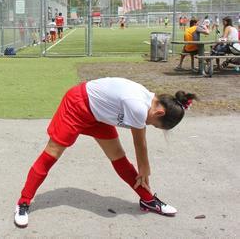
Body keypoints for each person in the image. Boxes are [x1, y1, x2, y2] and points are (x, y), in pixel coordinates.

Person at [14, 77, 197, 228]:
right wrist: (144, 169)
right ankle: (23, 202)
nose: (149, 125)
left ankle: (148, 200)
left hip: (98, 116)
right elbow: (140, 144)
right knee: (52, 153)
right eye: (153, 124)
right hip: (77, 106)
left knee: (118, 157)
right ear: (159, 113)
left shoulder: (151, 103)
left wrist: (143, 169)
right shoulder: (138, 105)